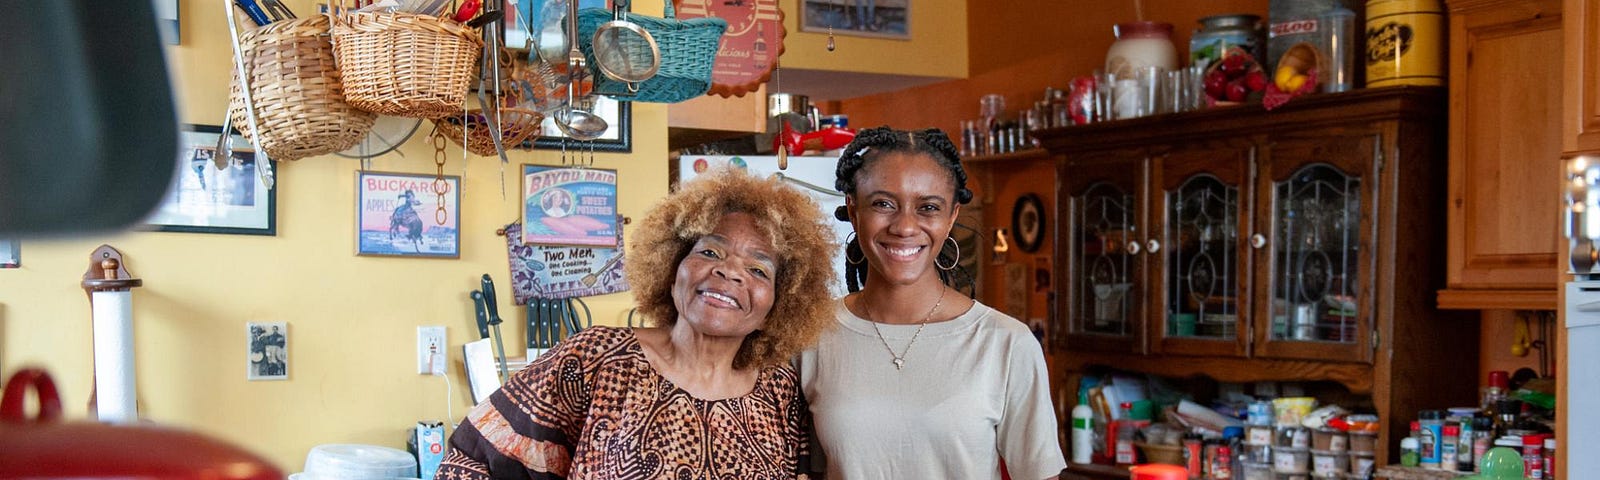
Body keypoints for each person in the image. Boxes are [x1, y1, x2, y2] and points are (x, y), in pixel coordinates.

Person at [437, 169, 837, 480]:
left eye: (758, 269)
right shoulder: (595, 359)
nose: (729, 272)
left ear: (781, 302)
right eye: (710, 250)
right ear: (672, 265)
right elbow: (473, 460)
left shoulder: (779, 390)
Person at [798, 127, 1066, 479]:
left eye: (928, 207)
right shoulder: (812, 335)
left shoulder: (1006, 344)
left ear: (952, 216)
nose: (905, 226)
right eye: (883, 204)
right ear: (853, 207)